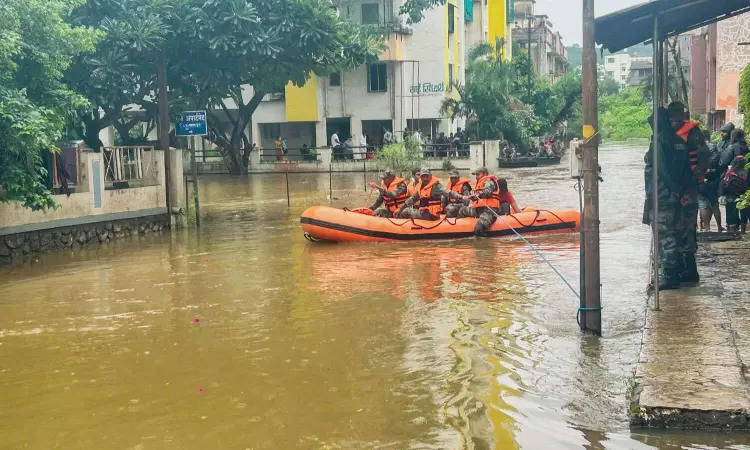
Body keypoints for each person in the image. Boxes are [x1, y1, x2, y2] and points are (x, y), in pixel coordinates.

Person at [643, 107, 693, 290]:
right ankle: (677, 271)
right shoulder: (679, 141)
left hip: (663, 195)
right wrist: (683, 192)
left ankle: (670, 276)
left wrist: (674, 191)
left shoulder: (659, 141)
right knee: (676, 234)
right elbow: (688, 171)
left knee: (666, 235)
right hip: (677, 196)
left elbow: (661, 170)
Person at [669, 101, 710, 285]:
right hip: (677, 190)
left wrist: (695, 177)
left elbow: (704, 155)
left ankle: (689, 270)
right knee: (679, 230)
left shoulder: (692, 132)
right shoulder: (669, 134)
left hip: (688, 189)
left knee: (686, 229)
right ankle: (683, 268)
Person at [397, 168, 463, 220]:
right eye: (423, 176)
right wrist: (400, 208)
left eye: (427, 176)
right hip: (424, 213)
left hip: (431, 215)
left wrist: (462, 197)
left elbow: (449, 193)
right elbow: (413, 199)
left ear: (430, 176)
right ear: (420, 177)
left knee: (405, 212)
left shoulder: (436, 186)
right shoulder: (421, 187)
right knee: (403, 210)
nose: (425, 179)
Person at [458, 167, 504, 235]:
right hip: (478, 210)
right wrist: (470, 196)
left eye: (478, 175)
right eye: (476, 175)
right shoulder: (478, 183)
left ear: (485, 174)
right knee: (462, 210)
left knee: (479, 228)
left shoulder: (489, 181)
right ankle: (459, 228)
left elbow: (487, 192)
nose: (476, 177)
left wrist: (478, 195)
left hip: (489, 210)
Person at [721, 129, 749, 232]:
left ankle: (732, 226)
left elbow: (723, 163)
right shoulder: (747, 148)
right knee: (744, 203)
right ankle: (743, 225)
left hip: (732, 182)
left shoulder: (731, 147)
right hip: (746, 181)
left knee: (731, 203)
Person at [699, 140, 724, 232]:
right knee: (715, 205)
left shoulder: (698, 148)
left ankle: (707, 228)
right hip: (713, 180)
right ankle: (719, 226)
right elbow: (722, 163)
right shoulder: (717, 148)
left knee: (702, 205)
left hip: (701, 179)